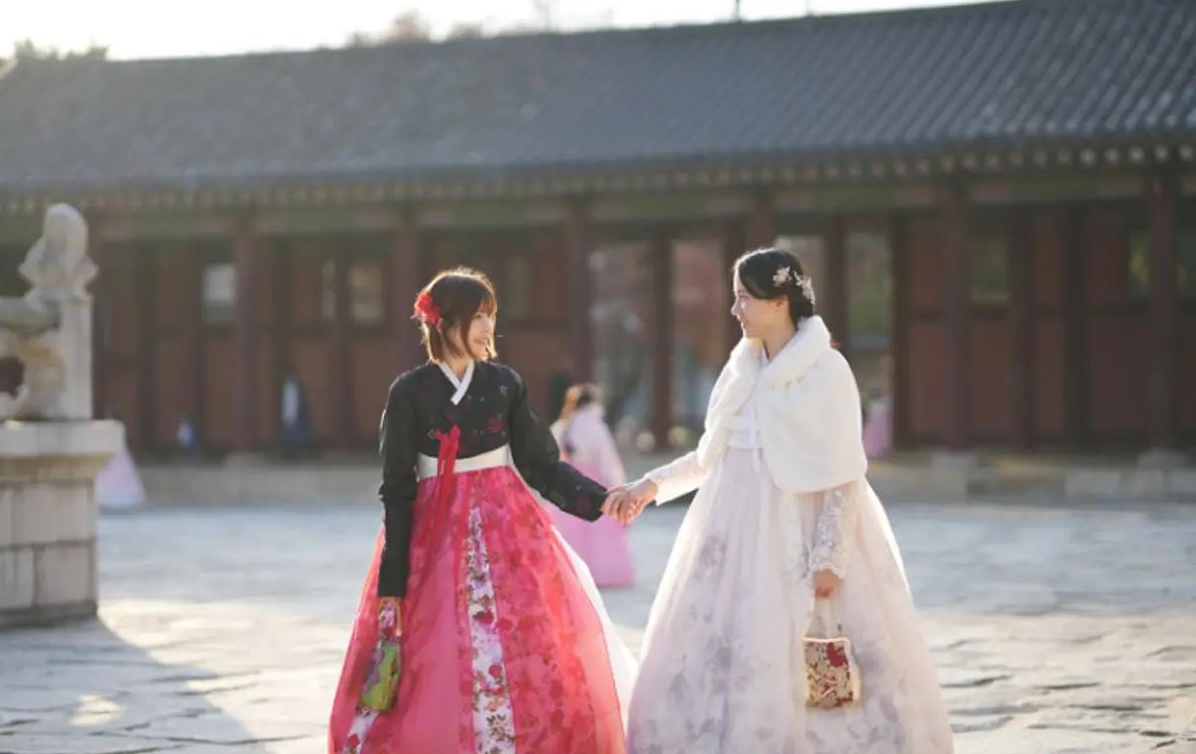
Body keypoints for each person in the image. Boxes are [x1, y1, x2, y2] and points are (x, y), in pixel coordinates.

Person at [608, 248, 953, 753]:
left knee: (811, 657)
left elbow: (843, 476)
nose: (735, 310)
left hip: (800, 529)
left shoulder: (827, 371)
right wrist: (650, 486)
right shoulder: (739, 370)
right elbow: (713, 455)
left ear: (780, 301)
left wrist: (830, 557)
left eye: (744, 298)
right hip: (731, 532)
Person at [329, 267, 636, 754]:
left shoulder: (504, 384)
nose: (487, 327)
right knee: (433, 652)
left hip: (507, 528)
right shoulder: (409, 392)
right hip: (434, 533)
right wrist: (394, 581)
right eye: (476, 316)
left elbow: (542, 466)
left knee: (528, 645)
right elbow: (397, 488)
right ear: (443, 322)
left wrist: (602, 499)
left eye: (491, 315)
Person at [547, 384, 634, 588]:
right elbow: (608, 460)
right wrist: (619, 486)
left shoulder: (561, 426)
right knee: (597, 528)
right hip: (593, 481)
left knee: (567, 531)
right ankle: (602, 575)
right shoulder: (595, 425)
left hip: (567, 482)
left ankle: (569, 575)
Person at [278, 368, 313, 459]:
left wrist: (289, 416)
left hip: (292, 416)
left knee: (292, 435)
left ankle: (292, 454)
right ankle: (292, 453)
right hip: (292, 416)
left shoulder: (291, 388)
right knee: (293, 435)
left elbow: (291, 404)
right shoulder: (293, 387)